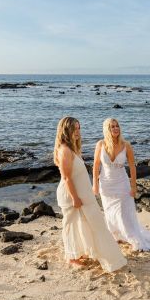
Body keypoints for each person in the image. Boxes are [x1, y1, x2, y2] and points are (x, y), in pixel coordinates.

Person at [54, 116, 127, 273]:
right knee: (71, 225)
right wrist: (75, 198)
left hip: (82, 194)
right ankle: (71, 257)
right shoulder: (65, 150)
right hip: (71, 196)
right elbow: (66, 177)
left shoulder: (72, 149)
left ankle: (83, 253)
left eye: (79, 128)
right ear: (66, 130)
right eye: (75, 128)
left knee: (90, 224)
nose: (78, 132)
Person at [93, 118, 150, 253]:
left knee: (123, 212)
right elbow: (96, 165)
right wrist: (94, 185)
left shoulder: (126, 145)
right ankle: (116, 235)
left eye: (117, 126)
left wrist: (133, 186)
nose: (115, 128)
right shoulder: (100, 144)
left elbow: (132, 167)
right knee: (109, 211)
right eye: (112, 127)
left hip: (121, 183)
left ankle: (132, 238)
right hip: (105, 184)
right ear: (106, 129)